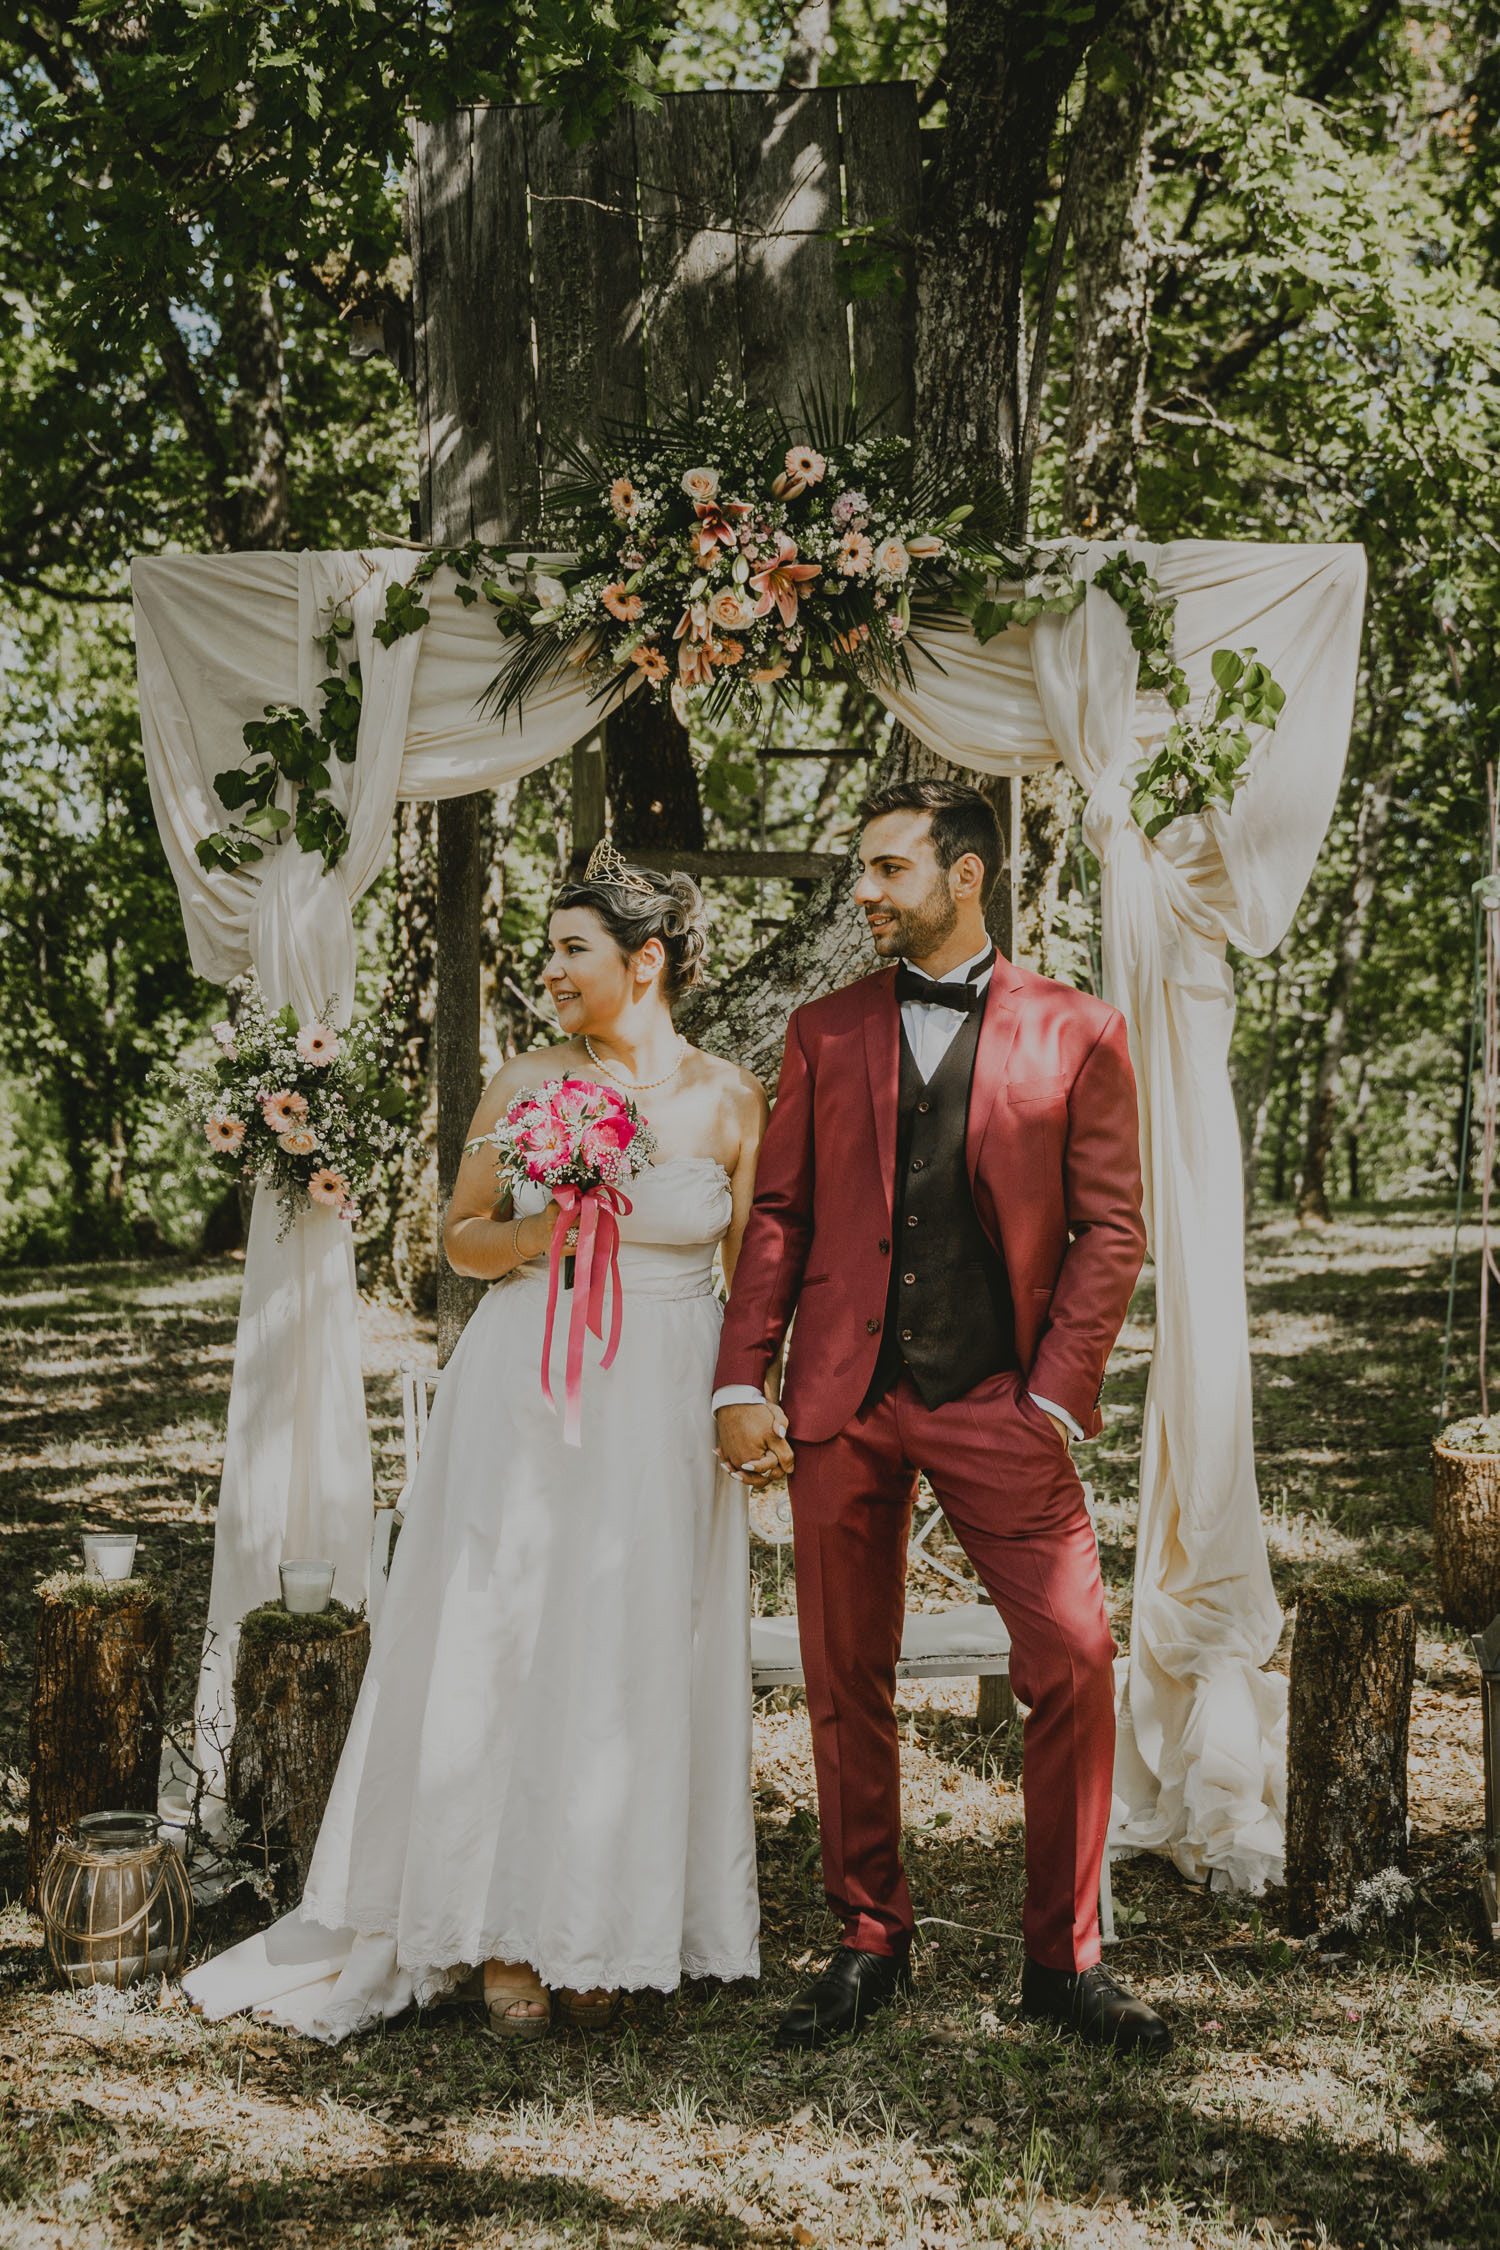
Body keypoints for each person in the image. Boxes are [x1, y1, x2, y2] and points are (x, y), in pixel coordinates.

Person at [185, 853, 769, 2042]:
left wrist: (749, 1396)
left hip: (665, 1397)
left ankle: (608, 1918)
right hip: (531, 1391)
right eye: (548, 948)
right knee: (511, 1635)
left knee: (637, 1643)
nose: (549, 970)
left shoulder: (730, 1097)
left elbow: (753, 1272)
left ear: (645, 961)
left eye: (572, 949)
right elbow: (460, 1239)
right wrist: (552, 1228)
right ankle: (501, 1927)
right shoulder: (529, 1082)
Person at [713, 778, 1170, 2057]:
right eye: (861, 867)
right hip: (842, 1402)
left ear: (965, 877)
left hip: (995, 1399)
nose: (862, 890)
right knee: (842, 1676)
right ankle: (869, 1938)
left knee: (1072, 1659)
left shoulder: (1080, 1031)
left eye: (887, 868)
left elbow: (1111, 1228)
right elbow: (783, 1214)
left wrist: (1053, 1396)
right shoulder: (824, 1029)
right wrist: (744, 1375)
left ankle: (1065, 1964)